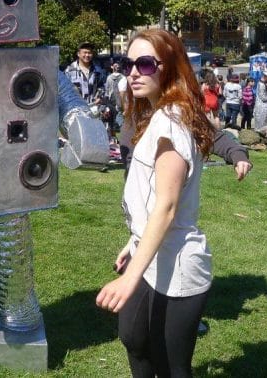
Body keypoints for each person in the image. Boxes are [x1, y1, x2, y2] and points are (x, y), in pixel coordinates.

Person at [96, 29, 218, 377]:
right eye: (128, 63)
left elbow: (166, 206)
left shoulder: (170, 123)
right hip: (148, 252)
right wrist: (133, 240)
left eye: (145, 63)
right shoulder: (157, 115)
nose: (133, 71)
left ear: (168, 68)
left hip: (177, 265)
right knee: (133, 338)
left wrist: (128, 279)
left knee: (170, 367)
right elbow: (151, 201)